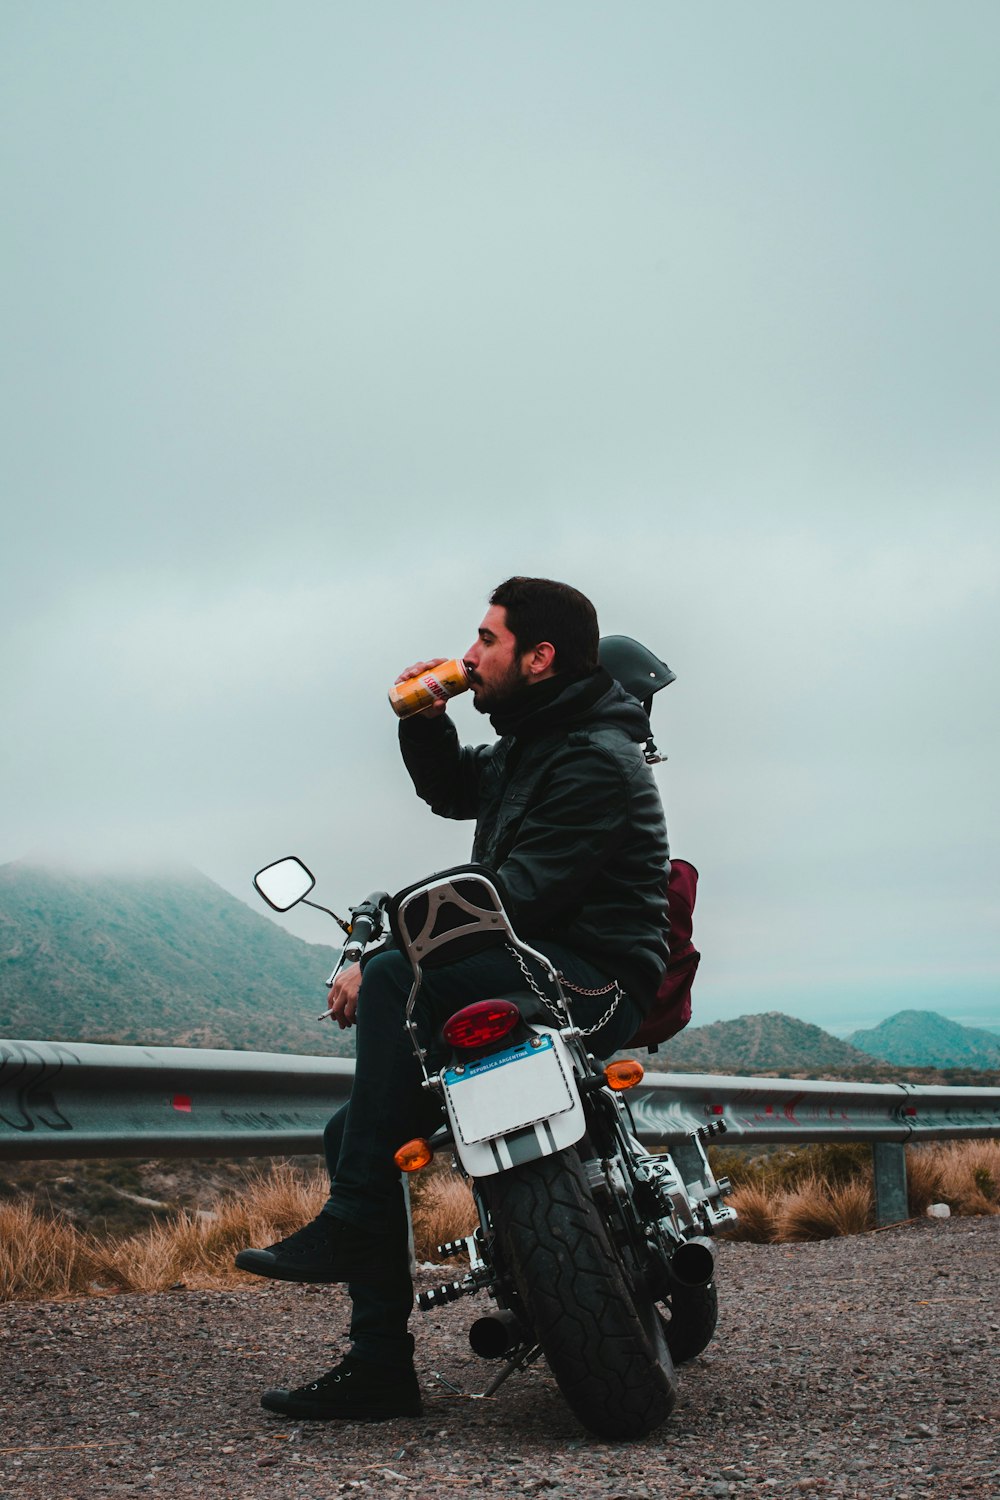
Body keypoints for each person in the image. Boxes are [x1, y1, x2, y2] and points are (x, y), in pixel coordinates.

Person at [237, 576, 671, 1422]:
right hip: (524, 963)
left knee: (402, 976)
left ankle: (354, 1213)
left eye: (486, 641)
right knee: (350, 1130)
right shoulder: (534, 744)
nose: (468, 657)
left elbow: (520, 893)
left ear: (539, 658)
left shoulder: (595, 759)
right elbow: (450, 793)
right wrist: (424, 724)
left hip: (592, 981)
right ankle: (378, 1364)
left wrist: (385, 947)